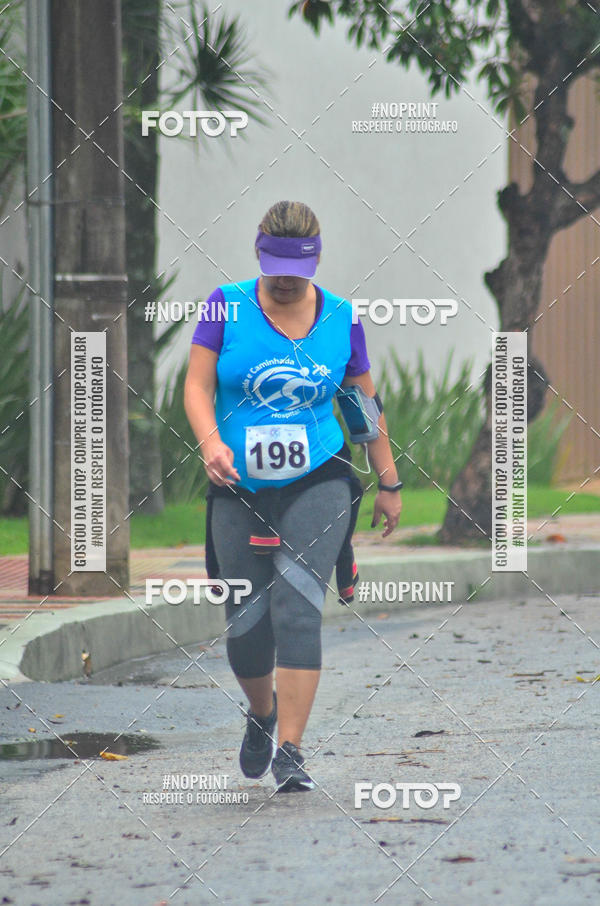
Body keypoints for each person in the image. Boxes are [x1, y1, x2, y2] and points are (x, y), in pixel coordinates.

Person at [184, 200, 402, 792]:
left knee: (298, 606)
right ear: (259, 253)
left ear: (315, 259)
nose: (284, 280)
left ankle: (293, 751)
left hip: (319, 476)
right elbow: (197, 386)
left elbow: (362, 407)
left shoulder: (340, 317)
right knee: (246, 621)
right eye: (275, 266)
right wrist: (210, 445)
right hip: (237, 481)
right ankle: (261, 715)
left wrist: (387, 481)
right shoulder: (225, 304)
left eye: (295, 270)